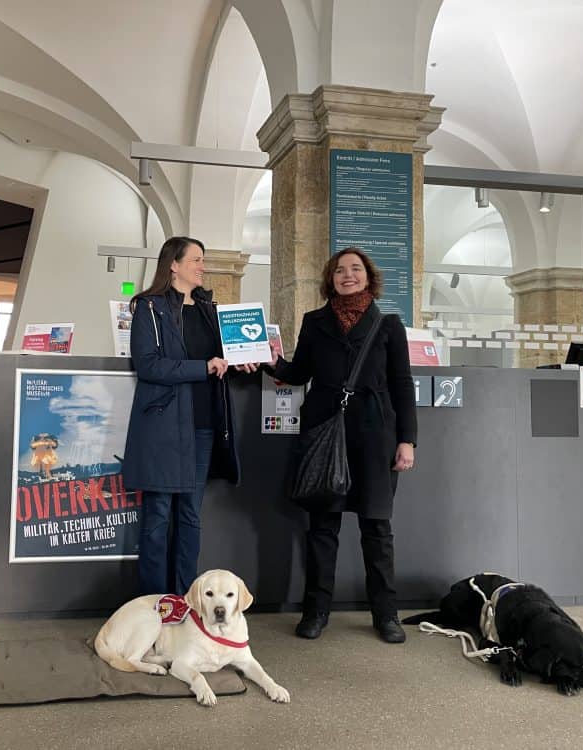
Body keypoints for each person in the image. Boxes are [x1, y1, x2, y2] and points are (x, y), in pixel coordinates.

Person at [267, 247, 417, 643]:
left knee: (377, 529)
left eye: (355, 269)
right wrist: (269, 361)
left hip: (375, 436)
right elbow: (299, 373)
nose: (347, 275)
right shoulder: (314, 322)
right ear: (329, 279)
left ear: (368, 276)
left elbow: (403, 385)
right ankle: (316, 612)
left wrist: (408, 441)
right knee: (322, 528)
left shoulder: (388, 325)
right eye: (339, 270)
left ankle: (386, 615)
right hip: (324, 434)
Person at [122, 236, 254, 596]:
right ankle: (153, 602)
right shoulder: (149, 308)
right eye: (195, 259)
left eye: (203, 259)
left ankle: (183, 599)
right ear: (173, 265)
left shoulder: (211, 311)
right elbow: (149, 366)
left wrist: (245, 363)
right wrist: (203, 367)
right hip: (164, 427)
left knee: (190, 517)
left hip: (203, 427)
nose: (202, 265)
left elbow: (225, 359)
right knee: (158, 517)